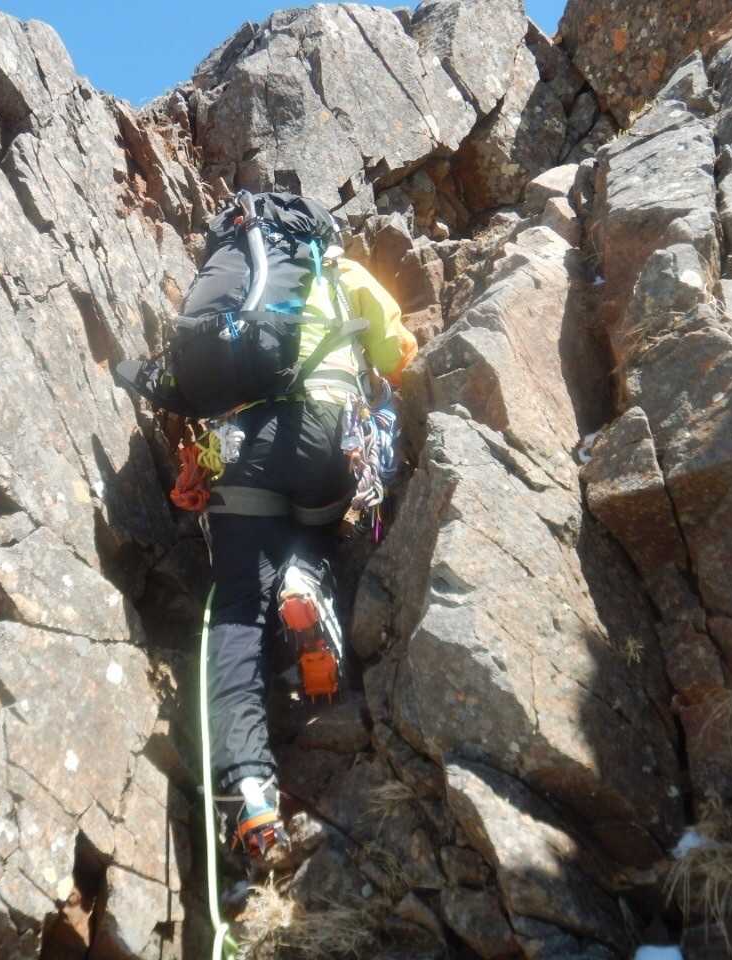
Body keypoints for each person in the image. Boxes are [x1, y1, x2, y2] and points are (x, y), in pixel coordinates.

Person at [202, 243, 417, 863]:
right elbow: (398, 353)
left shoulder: (233, 280)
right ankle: (307, 577)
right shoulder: (341, 270)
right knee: (317, 529)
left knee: (238, 607)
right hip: (326, 433)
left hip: (240, 441)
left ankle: (248, 788)